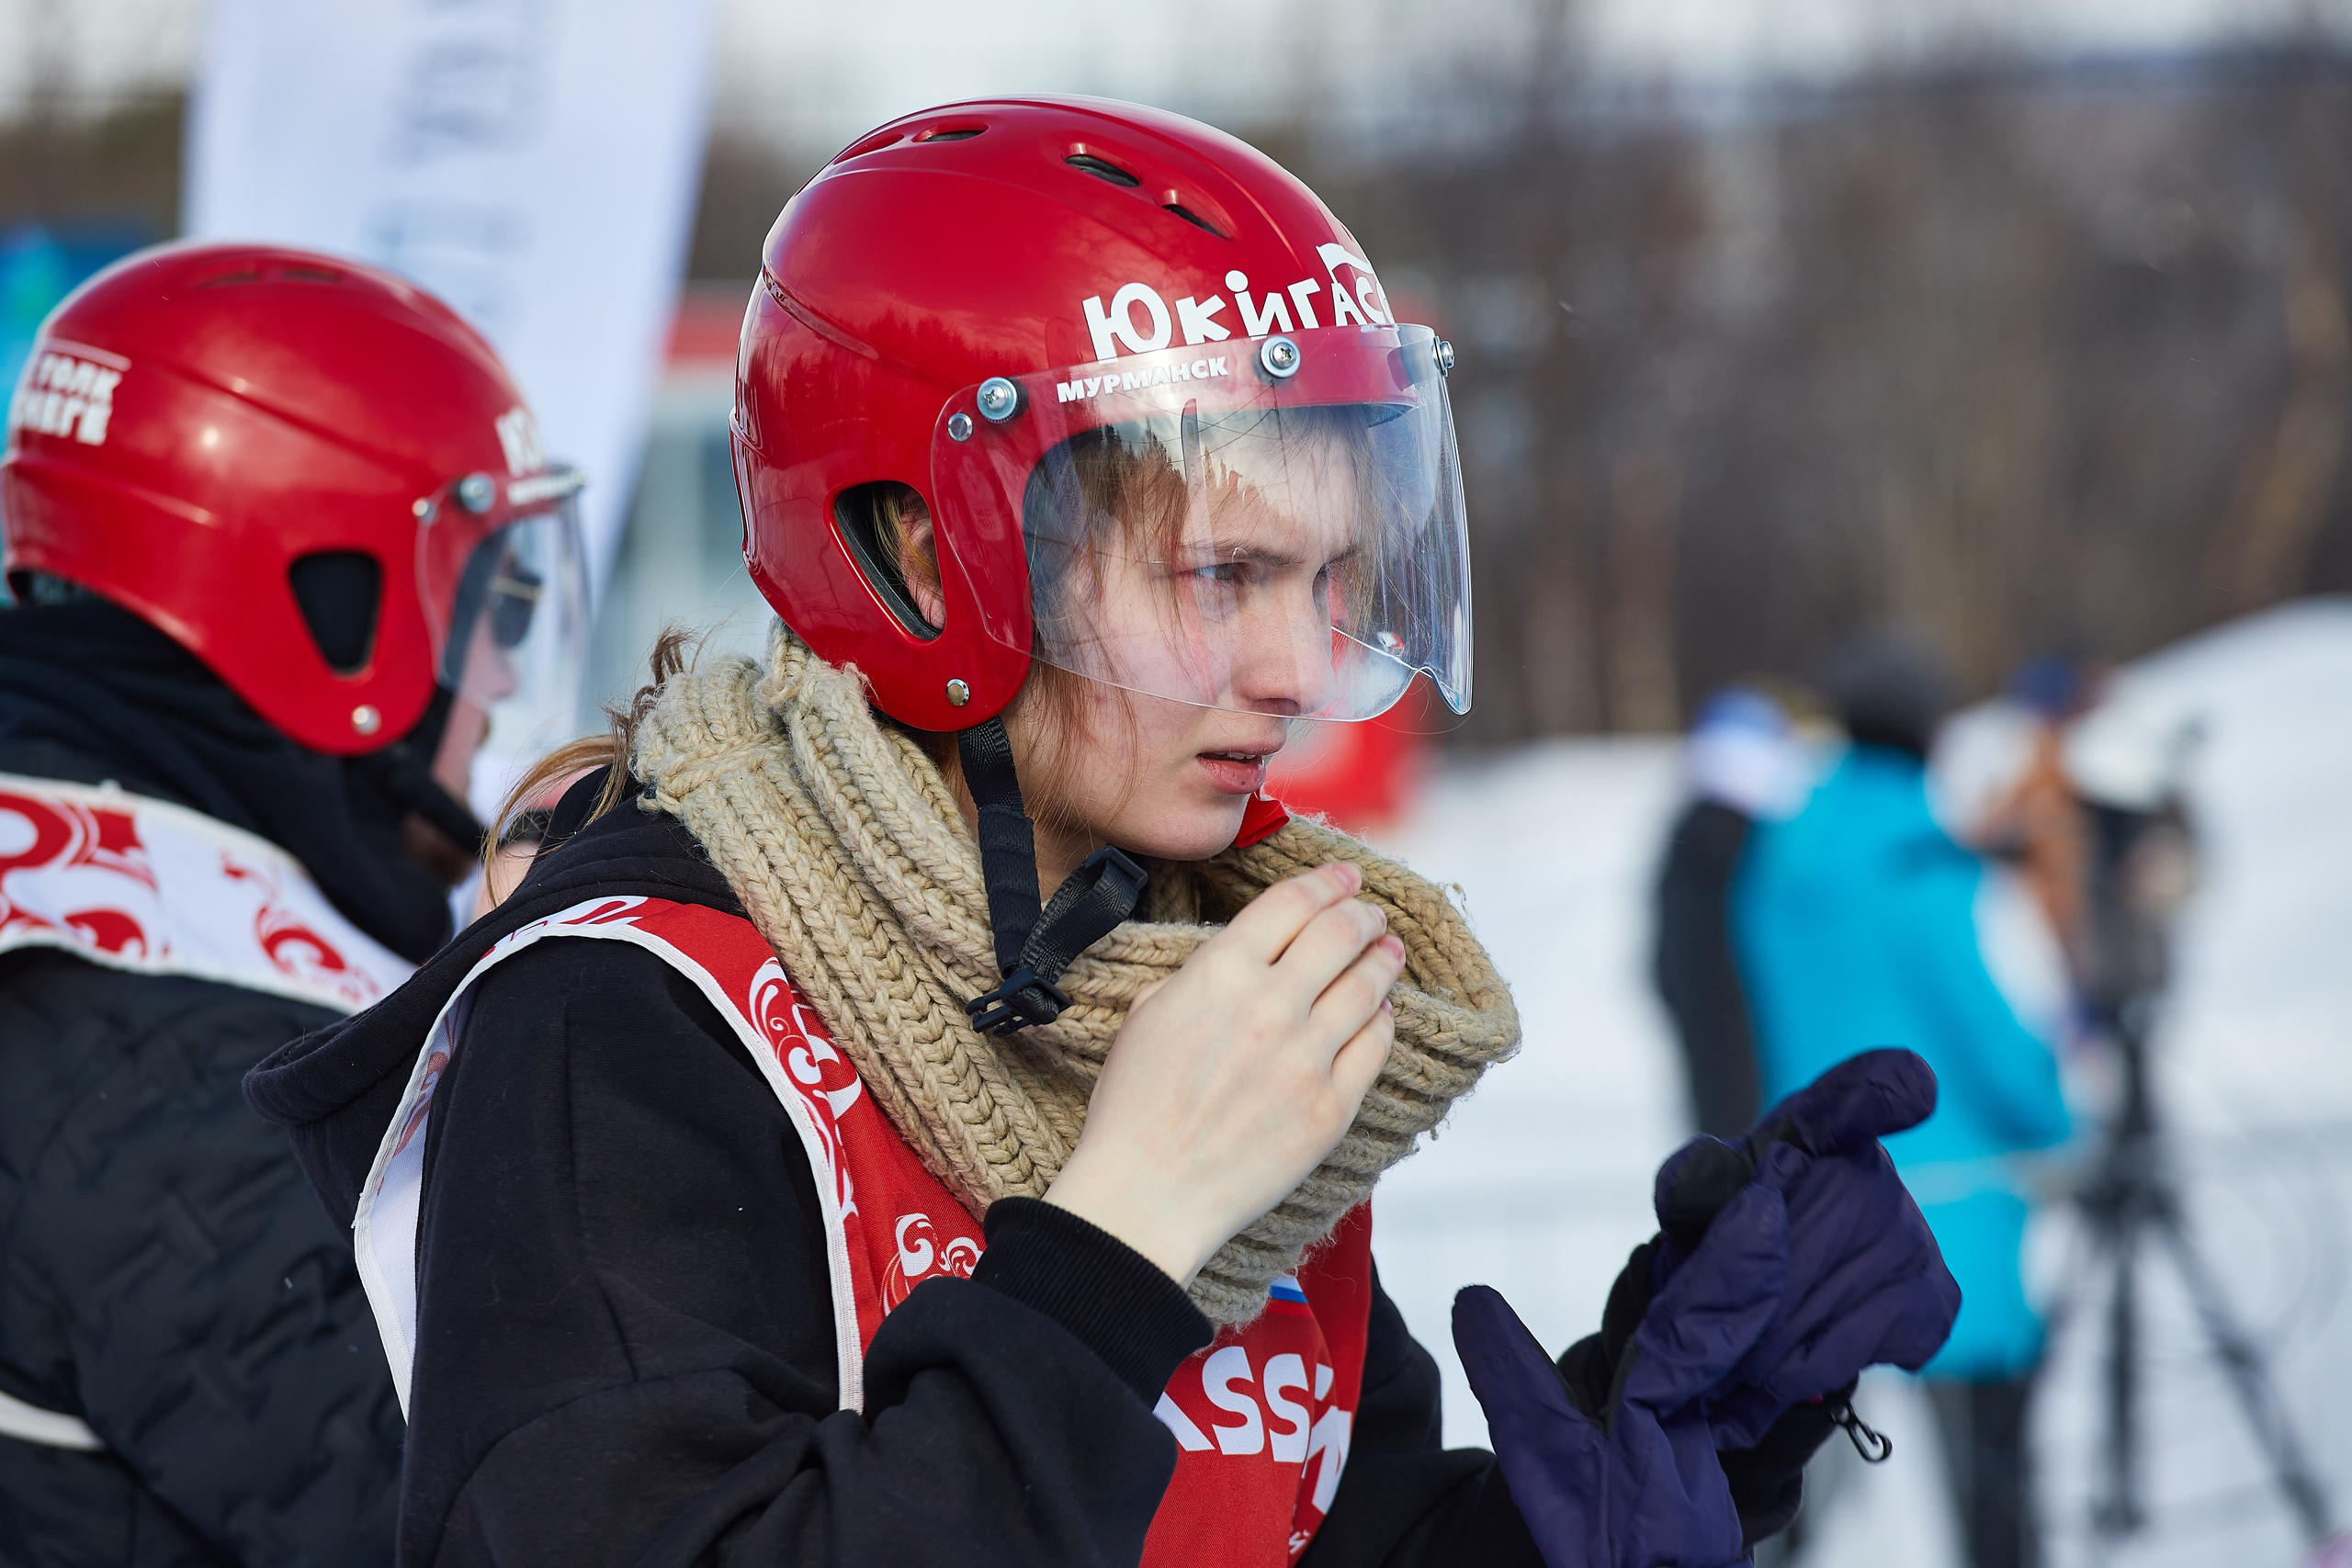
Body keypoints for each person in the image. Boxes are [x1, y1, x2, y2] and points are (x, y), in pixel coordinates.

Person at [247, 98, 1956, 1568]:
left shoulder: (1188, 978)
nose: (1293, 671)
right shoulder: (631, 1021)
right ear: (923, 558)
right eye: (1221, 575)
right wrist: (1121, 1236)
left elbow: (1289, 1530)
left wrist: (1642, 1439)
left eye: (1331, 581)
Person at [0, 242, 589, 1565]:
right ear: (329, 611)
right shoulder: (168, 1073)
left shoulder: (69, 893)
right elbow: (528, 1524)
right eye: (492, 599)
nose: (498, 675)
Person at [1733, 631, 2074, 1568]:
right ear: (1927, 736)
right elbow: (1987, 1038)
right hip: (1949, 1217)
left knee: (1777, 1493)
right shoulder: (1916, 862)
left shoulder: (1777, 860)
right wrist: (2057, 1112)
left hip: (1809, 1210)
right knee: (1990, 1502)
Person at [1652, 685, 1813, 1140]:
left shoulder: (1691, 832)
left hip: (1708, 1019)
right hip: (1742, 1022)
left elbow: (1663, 957)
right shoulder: (1743, 841)